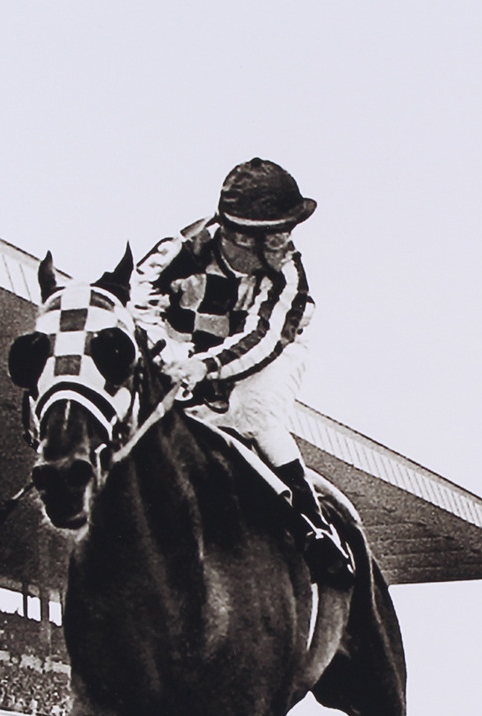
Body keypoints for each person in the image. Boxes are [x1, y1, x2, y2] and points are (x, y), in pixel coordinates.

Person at [131, 158, 355, 586]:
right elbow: (137, 304)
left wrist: (204, 367)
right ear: (236, 234)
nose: (285, 245)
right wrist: (168, 355)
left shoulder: (288, 273)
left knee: (255, 412)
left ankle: (314, 526)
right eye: (274, 238)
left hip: (263, 357)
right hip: (179, 352)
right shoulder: (178, 253)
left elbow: (265, 338)